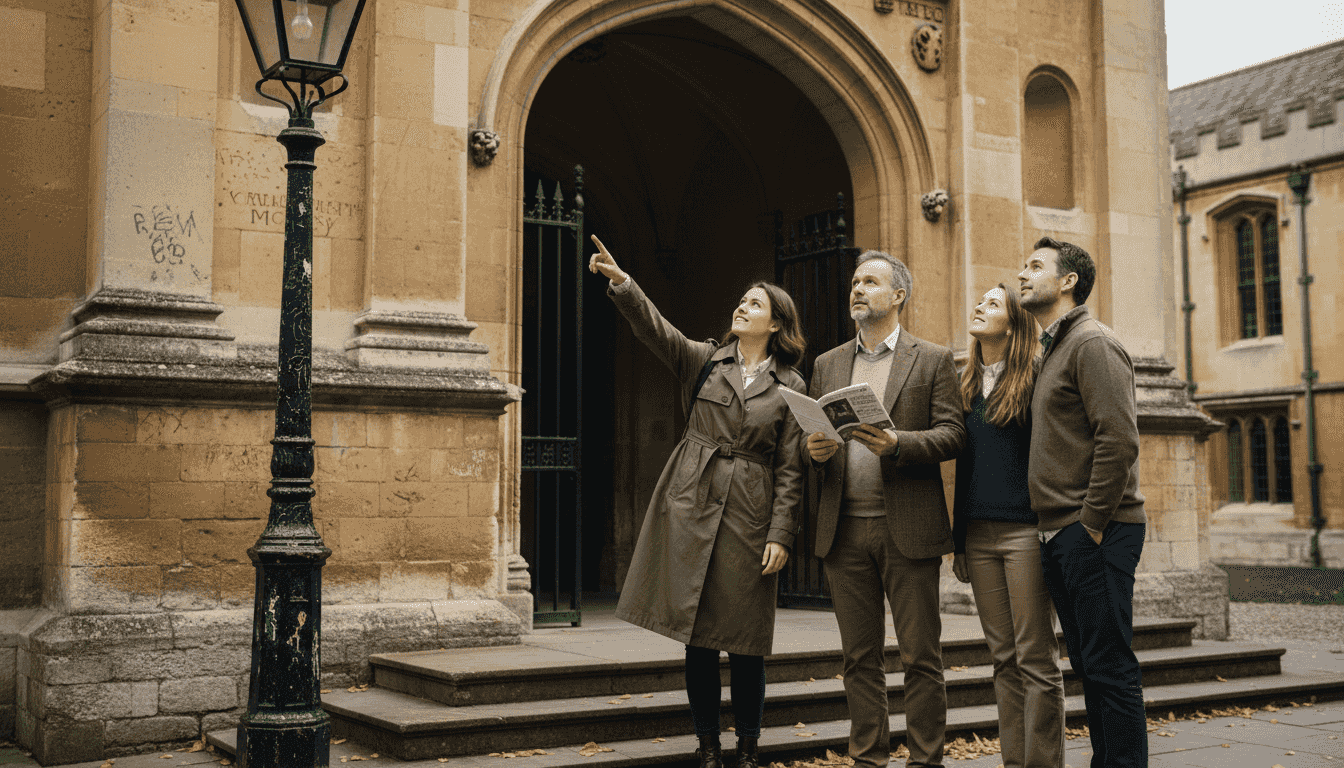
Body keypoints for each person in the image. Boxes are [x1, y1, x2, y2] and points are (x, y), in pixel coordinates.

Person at [588, 235, 806, 768]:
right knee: (698, 635)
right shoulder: (707, 361)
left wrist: (780, 533)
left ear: (776, 323)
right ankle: (707, 746)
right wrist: (624, 285)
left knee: (747, 639)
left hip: (751, 511)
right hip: (691, 501)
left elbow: (791, 469)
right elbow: (657, 332)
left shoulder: (793, 384)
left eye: (755, 303)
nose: (742, 306)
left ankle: (748, 748)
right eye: (742, 299)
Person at [805, 250, 965, 768]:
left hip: (909, 528)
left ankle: (925, 761)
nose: (857, 289)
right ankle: (868, 759)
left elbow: (953, 434)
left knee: (921, 657)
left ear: (898, 296)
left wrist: (898, 444)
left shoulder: (933, 358)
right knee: (859, 658)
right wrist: (812, 450)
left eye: (870, 282)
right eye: (854, 282)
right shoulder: (827, 363)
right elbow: (804, 436)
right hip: (844, 531)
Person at [1017, 237, 1146, 768]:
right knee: (1091, 667)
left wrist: (1089, 524)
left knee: (1109, 667)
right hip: (1065, 531)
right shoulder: (1053, 347)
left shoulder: (1092, 342)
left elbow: (1119, 439)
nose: (1022, 274)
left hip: (1096, 529)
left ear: (1068, 281)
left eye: (1035, 266)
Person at [950, 284, 1064, 768]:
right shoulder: (965, 384)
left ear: (1016, 324)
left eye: (993, 304)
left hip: (1026, 533)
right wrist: (958, 543)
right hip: (978, 536)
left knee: (1035, 659)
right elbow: (965, 470)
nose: (980, 306)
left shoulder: (1037, 377)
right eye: (979, 301)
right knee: (1002, 659)